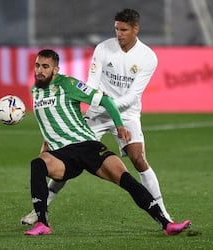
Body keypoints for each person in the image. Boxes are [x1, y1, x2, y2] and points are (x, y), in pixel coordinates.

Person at [22, 8, 176, 225]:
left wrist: (110, 107)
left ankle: (163, 212)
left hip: (127, 111)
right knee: (67, 152)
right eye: (116, 29)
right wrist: (90, 101)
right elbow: (92, 83)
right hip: (97, 111)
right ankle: (41, 208)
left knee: (138, 159)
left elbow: (133, 95)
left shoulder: (147, 57)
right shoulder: (103, 49)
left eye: (124, 30)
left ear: (135, 29)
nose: (119, 34)